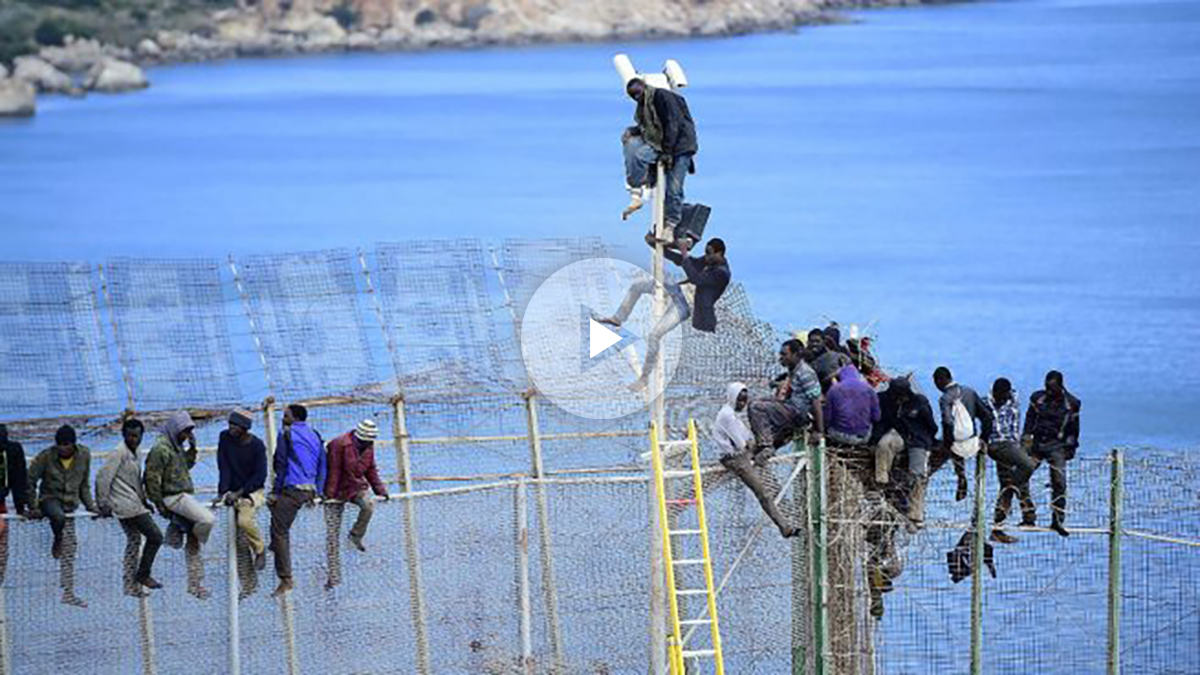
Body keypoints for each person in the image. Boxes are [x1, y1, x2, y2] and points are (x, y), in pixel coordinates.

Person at [598, 237, 730, 391]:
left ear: (719, 253)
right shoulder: (710, 261)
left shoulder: (722, 273)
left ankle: (644, 378)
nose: (706, 256)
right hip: (676, 291)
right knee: (637, 286)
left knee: (654, 335)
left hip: (684, 306)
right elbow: (684, 261)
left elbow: (696, 278)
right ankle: (618, 318)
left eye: (709, 253)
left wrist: (684, 250)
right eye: (705, 252)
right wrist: (660, 248)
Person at [28, 424, 100, 606]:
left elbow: (84, 485)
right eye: (59, 445)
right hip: (49, 500)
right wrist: (33, 505)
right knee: (57, 518)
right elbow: (30, 480)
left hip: (70, 507)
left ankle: (68, 591)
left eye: (66, 445)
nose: (62, 448)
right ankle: (57, 538)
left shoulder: (84, 455)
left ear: (73, 445)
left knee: (70, 549)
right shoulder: (46, 456)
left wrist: (91, 507)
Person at [145, 410, 214, 599]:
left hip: (183, 497)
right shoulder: (161, 449)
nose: (186, 435)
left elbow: (185, 467)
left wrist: (192, 448)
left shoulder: (175, 447)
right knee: (208, 519)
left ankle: (195, 584)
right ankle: (180, 527)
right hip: (174, 498)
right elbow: (151, 479)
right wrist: (160, 505)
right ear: (175, 428)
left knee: (193, 545)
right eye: (184, 431)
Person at [620, 77, 698, 242]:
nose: (636, 98)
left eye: (637, 94)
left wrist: (668, 152)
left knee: (673, 189)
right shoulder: (645, 104)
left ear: (644, 88)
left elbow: (673, 123)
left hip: (680, 146)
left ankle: (670, 225)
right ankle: (639, 188)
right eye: (633, 96)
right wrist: (632, 131)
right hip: (663, 144)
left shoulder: (663, 97)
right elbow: (650, 127)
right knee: (636, 152)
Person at [715, 382, 797, 538]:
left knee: (769, 449)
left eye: (744, 401)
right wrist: (754, 449)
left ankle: (786, 516)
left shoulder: (731, 412)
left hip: (742, 453)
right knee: (763, 493)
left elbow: (745, 438)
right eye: (740, 400)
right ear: (732, 398)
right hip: (735, 458)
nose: (743, 404)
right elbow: (741, 443)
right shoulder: (728, 416)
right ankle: (785, 528)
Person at [95, 418, 163, 596]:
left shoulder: (136, 452)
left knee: (134, 541)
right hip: (125, 505)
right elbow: (103, 477)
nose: (134, 439)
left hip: (134, 502)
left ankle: (130, 586)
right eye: (130, 436)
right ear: (123, 435)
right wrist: (102, 503)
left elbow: (136, 481)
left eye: (137, 436)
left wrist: (144, 500)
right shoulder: (118, 453)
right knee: (155, 536)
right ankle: (143, 574)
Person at [268, 402, 327, 598]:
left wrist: (276, 491)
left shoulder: (286, 433)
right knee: (278, 517)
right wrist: (318, 491)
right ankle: (274, 546)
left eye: (285, 415)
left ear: (294, 418)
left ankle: (286, 578)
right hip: (309, 491)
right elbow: (322, 465)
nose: (283, 418)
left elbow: (281, 463)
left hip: (292, 489)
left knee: (279, 531)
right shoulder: (316, 435)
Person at [927, 367, 994, 515]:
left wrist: (946, 445)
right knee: (961, 441)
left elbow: (948, 423)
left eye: (935, 382)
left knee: (938, 454)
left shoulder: (945, 398)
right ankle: (966, 480)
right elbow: (987, 416)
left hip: (956, 446)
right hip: (974, 443)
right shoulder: (969, 392)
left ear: (940, 380)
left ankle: (959, 476)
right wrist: (984, 438)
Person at [1023, 370, 1081, 537]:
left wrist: (1071, 448)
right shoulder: (1037, 398)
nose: (1048, 391)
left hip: (1057, 447)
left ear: (1060, 386)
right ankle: (1028, 514)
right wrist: (1026, 437)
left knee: (1059, 483)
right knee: (1020, 476)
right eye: (1046, 387)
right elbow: (1029, 419)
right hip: (1037, 445)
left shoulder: (1072, 403)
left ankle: (1057, 520)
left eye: (1051, 388)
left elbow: (1074, 428)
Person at [870, 378, 938, 519]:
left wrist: (928, 443)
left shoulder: (919, 402)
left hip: (918, 439)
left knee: (918, 475)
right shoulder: (884, 399)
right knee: (884, 444)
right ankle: (881, 482)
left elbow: (931, 425)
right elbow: (880, 422)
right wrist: (874, 440)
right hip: (898, 433)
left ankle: (915, 513)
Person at [982, 378, 1038, 544]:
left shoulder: (1014, 398)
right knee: (1027, 466)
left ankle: (999, 528)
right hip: (997, 445)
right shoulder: (986, 403)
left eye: (1004, 395)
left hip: (1013, 445)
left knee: (1009, 484)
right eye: (999, 396)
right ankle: (1028, 513)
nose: (1002, 399)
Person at [748, 339, 825, 452]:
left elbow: (816, 401)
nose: (781, 357)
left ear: (795, 354)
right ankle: (767, 440)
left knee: (756, 407)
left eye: (784, 354)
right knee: (755, 401)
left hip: (798, 413)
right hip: (791, 407)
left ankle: (765, 444)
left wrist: (819, 431)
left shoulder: (805, 373)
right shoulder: (793, 370)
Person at [325, 420, 389, 553]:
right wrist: (330, 493)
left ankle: (355, 535)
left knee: (368, 506)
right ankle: (332, 550)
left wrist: (380, 490)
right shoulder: (339, 444)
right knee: (333, 524)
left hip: (355, 487)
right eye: (365, 441)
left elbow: (371, 470)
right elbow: (334, 470)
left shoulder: (368, 447)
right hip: (338, 487)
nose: (367, 444)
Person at [217, 409, 268, 572]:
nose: (231, 428)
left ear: (245, 428)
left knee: (244, 521)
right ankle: (245, 582)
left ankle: (260, 550)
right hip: (232, 492)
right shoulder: (225, 438)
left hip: (251, 491)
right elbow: (223, 466)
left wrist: (239, 493)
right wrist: (222, 492)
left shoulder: (257, 446)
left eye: (235, 425)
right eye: (230, 424)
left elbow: (260, 476)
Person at [0, 424, 31, 585]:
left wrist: (21, 507)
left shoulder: (12, 452)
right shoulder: (13, 450)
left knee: (2, 551)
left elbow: (19, 480)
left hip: (1, 508)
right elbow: (19, 480)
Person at [824, 365, 881, 448]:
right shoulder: (869, 389)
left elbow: (827, 418)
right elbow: (876, 417)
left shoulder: (833, 390)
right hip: (863, 437)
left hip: (839, 436)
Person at [805, 329, 851, 393]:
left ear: (823, 342)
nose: (814, 344)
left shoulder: (833, 357)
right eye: (812, 341)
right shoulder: (805, 359)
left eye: (817, 341)